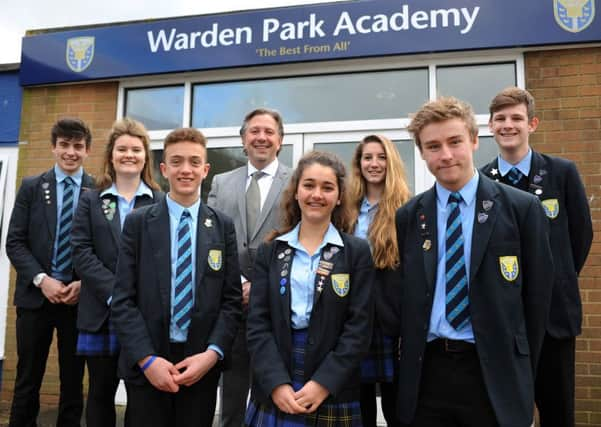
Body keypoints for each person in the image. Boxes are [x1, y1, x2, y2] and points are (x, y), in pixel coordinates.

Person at [378, 97, 554, 427]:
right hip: (428, 375)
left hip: (494, 374)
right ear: (422, 153)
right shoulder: (409, 216)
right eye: (433, 146)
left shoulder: (522, 209)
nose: (445, 155)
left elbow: (537, 302)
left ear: (474, 141)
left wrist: (522, 374)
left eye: (455, 142)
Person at [110, 128, 242, 427]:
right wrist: (146, 359)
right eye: (177, 161)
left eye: (195, 162)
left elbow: (231, 301)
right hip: (150, 362)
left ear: (205, 170)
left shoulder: (222, 226)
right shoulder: (138, 223)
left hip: (200, 364)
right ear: (163, 168)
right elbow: (122, 300)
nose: (186, 169)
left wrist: (212, 355)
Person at [481, 87, 593, 427]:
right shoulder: (482, 180)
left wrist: (552, 281)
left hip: (553, 320)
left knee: (558, 413)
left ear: (533, 123)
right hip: (503, 322)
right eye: (500, 119)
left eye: (516, 118)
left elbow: (580, 237)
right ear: (490, 126)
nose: (508, 125)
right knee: (505, 415)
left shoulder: (562, 173)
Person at [245, 151, 375, 427]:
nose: (317, 194)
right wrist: (276, 383)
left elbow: (359, 327)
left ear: (339, 196)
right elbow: (257, 323)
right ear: (296, 192)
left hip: (332, 386)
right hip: (275, 379)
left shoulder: (356, 252)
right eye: (309, 185)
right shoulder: (271, 250)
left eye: (327, 187)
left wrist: (323, 383)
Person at [71, 118, 164, 427]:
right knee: (99, 393)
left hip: (144, 315)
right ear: (111, 155)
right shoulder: (90, 200)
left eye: (136, 149)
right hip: (100, 313)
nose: (129, 155)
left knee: (141, 397)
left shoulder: (160, 201)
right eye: (122, 148)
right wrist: (116, 293)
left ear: (145, 156)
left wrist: (135, 298)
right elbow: (81, 253)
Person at [5, 117, 95, 427]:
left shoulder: (98, 190)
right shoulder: (32, 187)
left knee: (73, 380)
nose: (71, 152)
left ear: (87, 151)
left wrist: (84, 283)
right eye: (65, 145)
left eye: (78, 146)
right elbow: (14, 242)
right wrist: (43, 281)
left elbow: (107, 249)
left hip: (78, 302)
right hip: (35, 298)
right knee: (27, 377)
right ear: (53, 147)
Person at [207, 108, 291, 427]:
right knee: (232, 390)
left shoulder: (296, 181)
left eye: (269, 132)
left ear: (280, 141)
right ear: (243, 140)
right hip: (231, 302)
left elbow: (297, 238)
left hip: (276, 303)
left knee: (272, 388)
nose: (261, 137)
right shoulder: (221, 181)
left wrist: (261, 283)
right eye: (254, 131)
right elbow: (212, 239)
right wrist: (238, 281)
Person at [348, 135, 410, 427]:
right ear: (359, 164)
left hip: (390, 320)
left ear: (391, 162)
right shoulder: (345, 209)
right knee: (358, 406)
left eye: (381, 157)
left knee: (397, 404)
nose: (374, 164)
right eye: (367, 157)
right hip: (352, 317)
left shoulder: (407, 208)